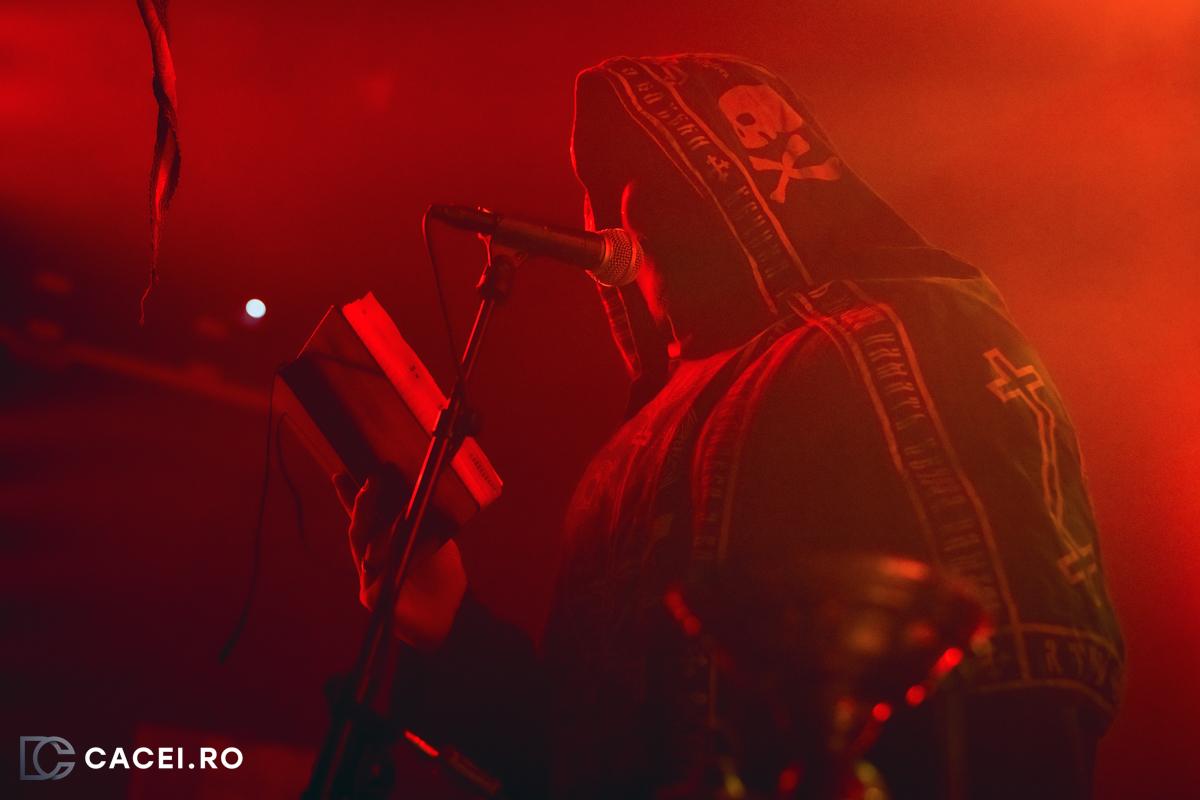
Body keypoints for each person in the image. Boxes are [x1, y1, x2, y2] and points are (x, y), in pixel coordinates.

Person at [334, 54, 1123, 799]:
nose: (624, 219)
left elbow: (1026, 662)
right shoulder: (640, 436)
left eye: (653, 181)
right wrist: (449, 626)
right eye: (614, 194)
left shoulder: (908, 335)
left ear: (740, 178)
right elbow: (583, 755)